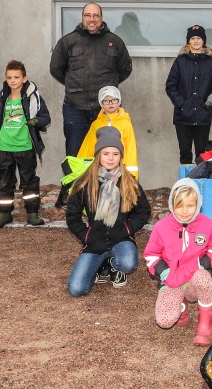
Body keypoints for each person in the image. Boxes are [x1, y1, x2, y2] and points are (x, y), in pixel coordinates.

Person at [50, 2, 132, 207]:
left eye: (96, 15)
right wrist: (74, 85)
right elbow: (56, 69)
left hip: (104, 112)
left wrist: (107, 93)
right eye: (88, 15)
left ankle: (104, 194)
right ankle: (72, 195)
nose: (92, 19)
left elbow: (124, 69)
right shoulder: (68, 41)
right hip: (75, 108)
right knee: (75, 154)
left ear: (102, 17)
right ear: (82, 17)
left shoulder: (114, 42)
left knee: (108, 153)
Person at [65, 126, 150, 296]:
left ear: (121, 156)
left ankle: (113, 265)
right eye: (106, 153)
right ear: (98, 155)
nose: (111, 158)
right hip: (95, 241)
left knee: (128, 263)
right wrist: (86, 236)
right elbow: (72, 216)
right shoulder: (84, 182)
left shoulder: (129, 181)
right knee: (76, 290)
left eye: (115, 154)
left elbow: (144, 211)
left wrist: (127, 229)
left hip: (120, 238)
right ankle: (100, 266)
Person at [145, 178, 212, 346]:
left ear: (198, 204)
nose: (185, 211)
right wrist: (162, 271)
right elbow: (151, 254)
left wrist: (203, 263)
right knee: (165, 321)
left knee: (203, 278)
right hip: (171, 281)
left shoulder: (208, 225)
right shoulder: (161, 227)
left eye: (190, 206)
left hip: (194, 279)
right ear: (172, 204)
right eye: (180, 205)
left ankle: (205, 325)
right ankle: (182, 307)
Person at [0, 60, 51, 228]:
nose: (12, 80)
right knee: (5, 182)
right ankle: (4, 214)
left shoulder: (32, 95)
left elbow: (46, 117)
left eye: (16, 77)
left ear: (24, 78)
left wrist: (36, 121)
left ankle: (32, 213)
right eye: (9, 77)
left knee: (29, 181)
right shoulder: (2, 96)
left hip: (24, 146)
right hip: (4, 146)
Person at [165, 24, 212, 165]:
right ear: (188, 41)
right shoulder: (180, 61)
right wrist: (181, 104)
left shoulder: (211, 62)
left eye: (199, 38)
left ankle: (199, 185)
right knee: (185, 154)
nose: (196, 41)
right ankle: (185, 186)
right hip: (182, 117)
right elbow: (170, 85)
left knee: (202, 155)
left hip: (202, 115)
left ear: (203, 41)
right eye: (193, 38)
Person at [74, 86, 140, 178]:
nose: (110, 103)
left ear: (119, 101)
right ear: (101, 103)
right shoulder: (96, 125)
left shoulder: (126, 124)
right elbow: (87, 149)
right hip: (99, 171)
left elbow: (131, 150)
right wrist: (79, 174)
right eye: (106, 100)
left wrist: (132, 177)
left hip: (121, 170)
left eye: (114, 100)